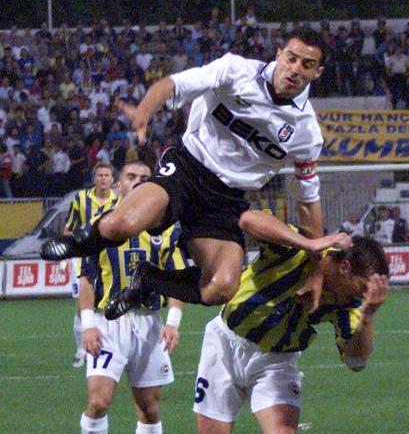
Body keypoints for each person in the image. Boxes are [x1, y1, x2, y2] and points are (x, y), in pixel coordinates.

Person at [41, 27, 351, 314]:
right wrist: (145, 111)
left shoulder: (306, 132)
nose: (295, 69)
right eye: (291, 58)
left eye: (307, 64)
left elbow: (308, 204)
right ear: (279, 54)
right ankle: (80, 244)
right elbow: (172, 84)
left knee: (221, 287)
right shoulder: (236, 71)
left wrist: (316, 271)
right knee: (119, 226)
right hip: (186, 170)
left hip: (226, 200)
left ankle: (149, 280)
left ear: (317, 72)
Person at [188, 214, 389, 434]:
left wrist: (369, 314)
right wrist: (311, 244)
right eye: (359, 289)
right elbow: (247, 220)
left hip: (277, 362)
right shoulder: (297, 251)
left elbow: (356, 361)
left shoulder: (345, 306)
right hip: (224, 344)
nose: (357, 298)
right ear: (343, 267)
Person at [69, 161, 187, 434]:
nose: (137, 182)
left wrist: (173, 321)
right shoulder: (101, 225)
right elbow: (87, 277)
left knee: (149, 408)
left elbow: (178, 277)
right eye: (131, 177)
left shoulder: (167, 230)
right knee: (98, 401)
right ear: (119, 185)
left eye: (145, 179)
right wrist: (88, 323)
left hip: (148, 325)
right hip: (108, 324)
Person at [64, 163, 119, 367]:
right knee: (82, 303)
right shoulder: (80, 199)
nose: (103, 178)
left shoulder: (118, 200)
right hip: (84, 257)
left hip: (109, 256)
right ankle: (81, 349)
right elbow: (68, 229)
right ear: (94, 178)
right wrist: (74, 245)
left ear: (112, 179)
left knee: (106, 299)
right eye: (100, 175)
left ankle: (109, 342)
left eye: (107, 175)